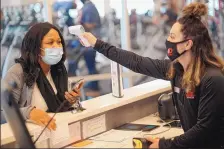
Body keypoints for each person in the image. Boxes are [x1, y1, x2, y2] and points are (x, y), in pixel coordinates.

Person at [81, 2, 224, 148]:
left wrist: (163, 144)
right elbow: (137, 62)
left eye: (172, 37)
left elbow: (204, 131)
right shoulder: (175, 70)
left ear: (188, 44)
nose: (168, 42)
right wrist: (96, 44)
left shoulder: (212, 79)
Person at [2, 22, 84, 129]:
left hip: (55, 132)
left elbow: (58, 108)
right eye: (50, 42)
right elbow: (4, 111)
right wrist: (29, 113)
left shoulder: (58, 71)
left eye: (59, 42)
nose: (56, 46)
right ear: (35, 46)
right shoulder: (18, 72)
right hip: (31, 136)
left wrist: (70, 101)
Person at [79, 0, 101, 97]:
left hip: (91, 43)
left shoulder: (89, 8)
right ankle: (93, 82)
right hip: (90, 42)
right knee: (90, 65)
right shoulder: (89, 7)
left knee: (91, 65)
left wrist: (80, 24)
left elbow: (90, 24)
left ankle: (94, 86)